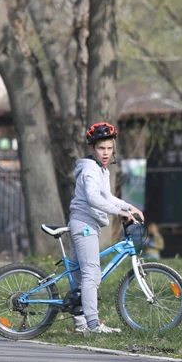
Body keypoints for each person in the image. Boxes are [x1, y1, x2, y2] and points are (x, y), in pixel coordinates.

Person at [69, 122, 143, 335]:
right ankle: (93, 325)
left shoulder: (102, 171)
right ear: (92, 148)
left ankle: (80, 322)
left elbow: (106, 197)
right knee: (92, 274)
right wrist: (118, 213)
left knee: (79, 276)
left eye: (109, 148)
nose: (106, 153)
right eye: (101, 148)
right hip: (84, 224)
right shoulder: (91, 170)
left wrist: (128, 206)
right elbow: (93, 198)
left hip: (84, 223)